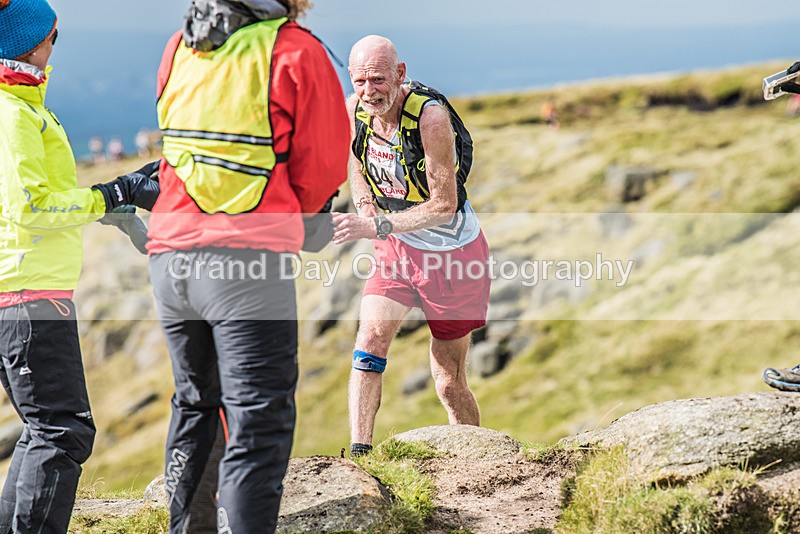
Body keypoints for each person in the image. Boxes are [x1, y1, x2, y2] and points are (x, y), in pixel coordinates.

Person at [145, 1, 349, 532]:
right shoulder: (294, 50)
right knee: (258, 419)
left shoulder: (181, 45)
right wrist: (299, 220)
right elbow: (323, 168)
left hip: (170, 259)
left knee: (195, 406)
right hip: (245, 265)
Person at [0, 1, 159, 531]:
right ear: (35, 41)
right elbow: (33, 208)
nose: (56, 49)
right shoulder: (14, 113)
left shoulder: (22, 105)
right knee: (62, 431)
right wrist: (116, 188)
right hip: (27, 294)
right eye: (54, 38)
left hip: (26, 293)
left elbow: (45, 197)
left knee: (42, 428)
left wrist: (114, 210)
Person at [332, 35, 491, 457]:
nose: (369, 92)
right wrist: (365, 207)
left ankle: (475, 458)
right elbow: (355, 165)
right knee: (369, 343)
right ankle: (361, 455)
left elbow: (444, 204)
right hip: (397, 250)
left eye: (379, 80)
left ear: (401, 75)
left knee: (448, 380)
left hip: (453, 256)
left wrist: (376, 226)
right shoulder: (354, 110)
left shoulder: (430, 118)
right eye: (360, 81)